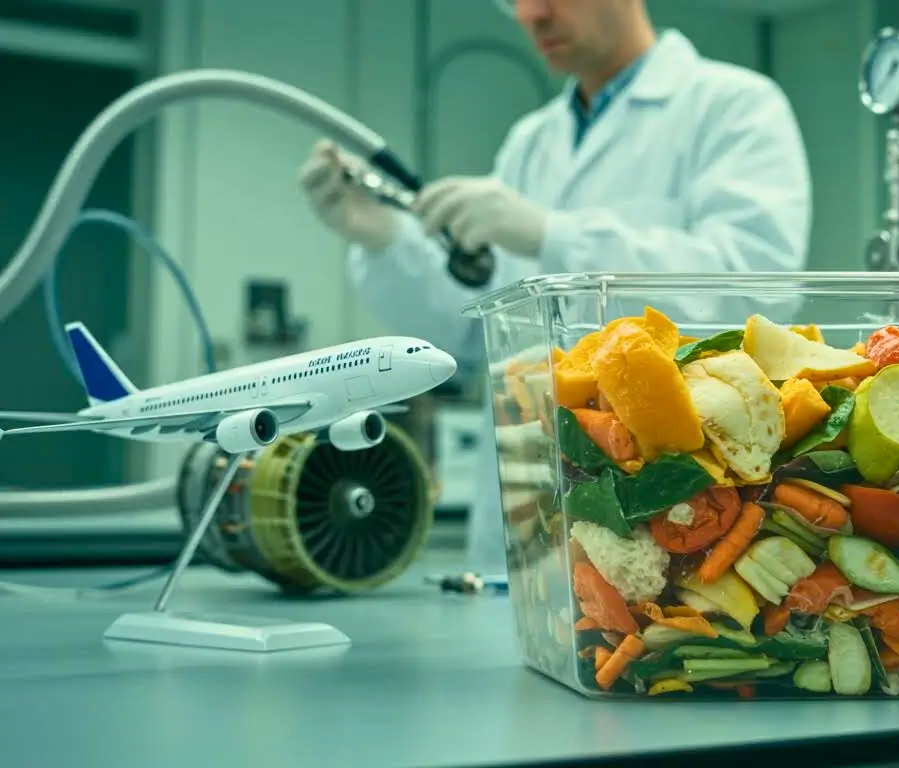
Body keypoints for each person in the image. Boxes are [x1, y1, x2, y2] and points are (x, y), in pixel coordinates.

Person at [298, 0, 811, 573]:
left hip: (676, 498)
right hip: (530, 507)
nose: (531, 15)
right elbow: (471, 333)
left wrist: (554, 234)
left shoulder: (733, 106)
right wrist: (383, 239)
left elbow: (756, 286)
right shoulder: (530, 143)